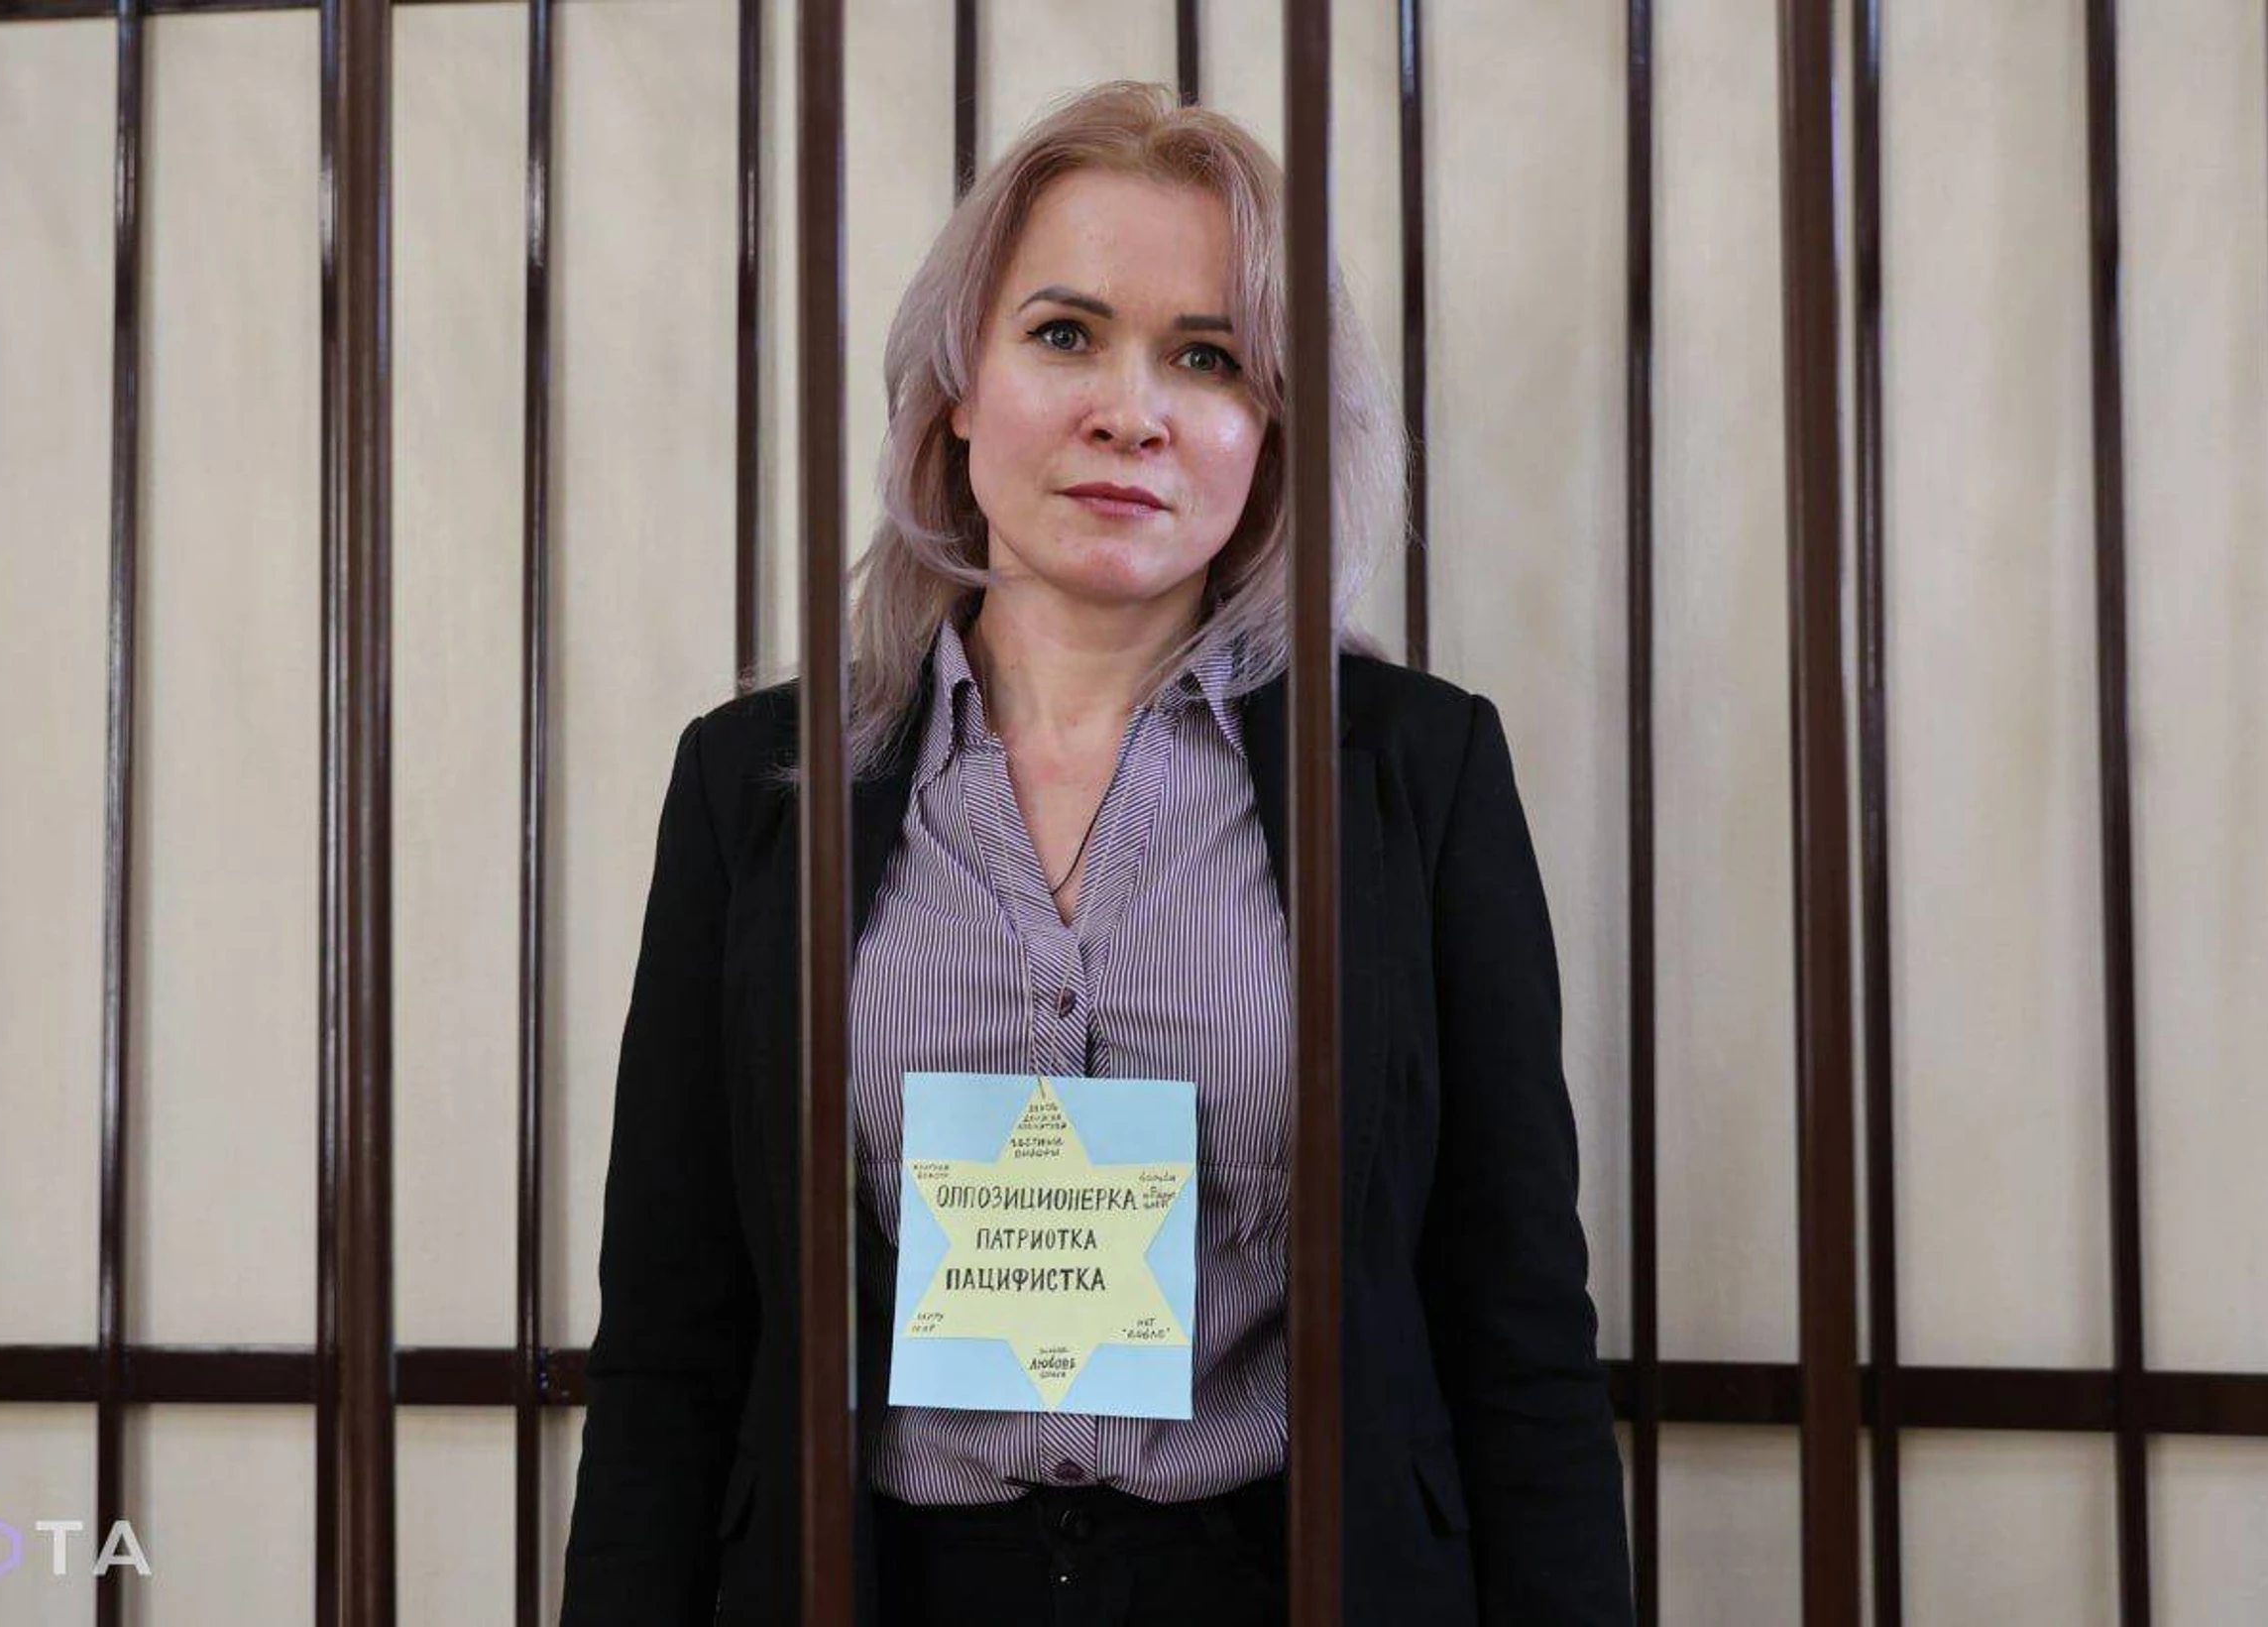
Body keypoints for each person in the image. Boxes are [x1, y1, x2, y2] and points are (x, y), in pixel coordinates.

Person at [560, 79, 1632, 1627]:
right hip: (877, 1581)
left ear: (1270, 430)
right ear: (955, 390)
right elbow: (674, 1332)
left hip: (1288, 1577)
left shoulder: (1415, 773)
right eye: (1064, 334)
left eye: (1206, 357)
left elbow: (1513, 1318)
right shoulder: (757, 786)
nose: (1131, 411)